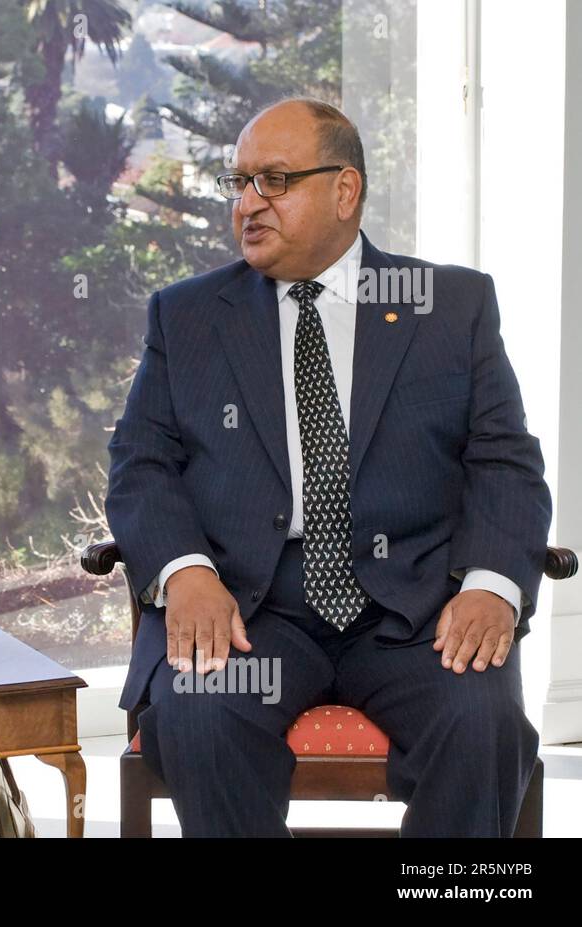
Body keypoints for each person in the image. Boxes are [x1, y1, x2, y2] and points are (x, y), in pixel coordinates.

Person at [106, 97, 551, 837]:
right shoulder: (188, 316)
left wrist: (491, 584)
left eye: (273, 180)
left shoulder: (448, 305)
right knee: (202, 717)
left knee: (484, 724)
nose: (248, 203)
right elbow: (141, 461)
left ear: (345, 190)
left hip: (417, 617)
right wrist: (186, 571)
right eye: (239, 182)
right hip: (251, 614)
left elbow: (504, 459)